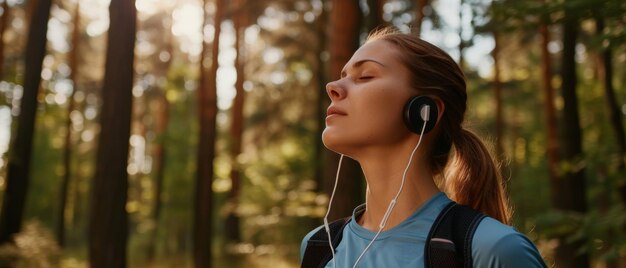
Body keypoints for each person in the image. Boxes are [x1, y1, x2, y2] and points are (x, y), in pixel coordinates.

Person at [300, 27, 547, 268]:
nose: (333, 87)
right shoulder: (318, 247)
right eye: (343, 76)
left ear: (424, 111)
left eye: (365, 76)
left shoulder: (493, 250)